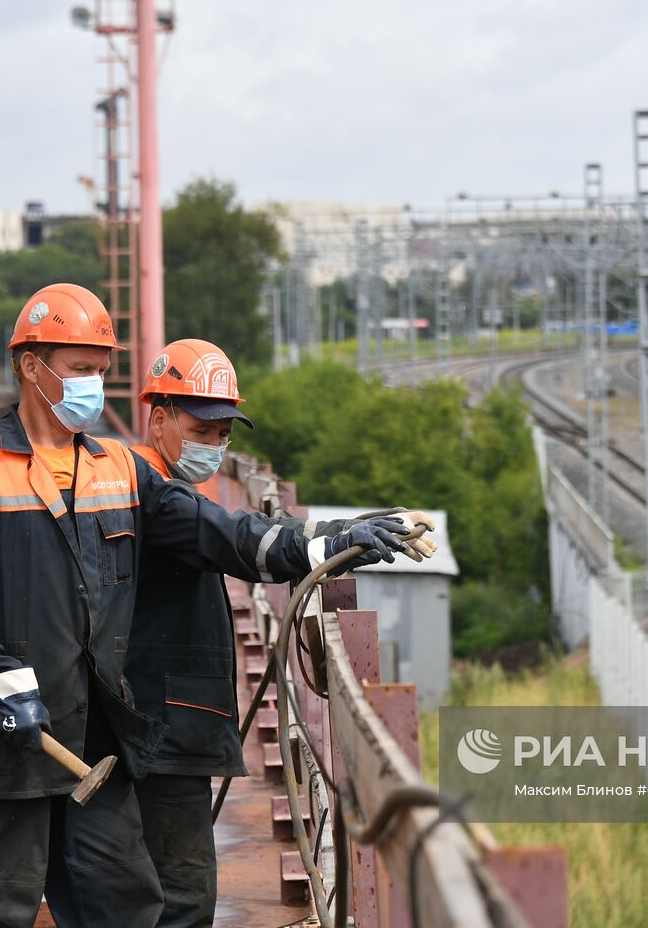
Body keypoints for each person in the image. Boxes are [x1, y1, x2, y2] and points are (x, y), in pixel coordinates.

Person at [0, 286, 416, 928]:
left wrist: (326, 543)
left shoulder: (117, 468)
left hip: (96, 739)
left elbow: (218, 531)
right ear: (31, 366)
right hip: (0, 736)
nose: (92, 383)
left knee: (128, 902)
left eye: (99, 369)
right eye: (78, 367)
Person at [127, 338, 435, 925]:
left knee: (167, 892)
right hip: (161, 733)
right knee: (182, 901)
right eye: (202, 429)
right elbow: (240, 541)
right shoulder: (151, 493)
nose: (215, 445)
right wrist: (334, 544)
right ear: (159, 418)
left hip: (166, 727)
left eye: (223, 434)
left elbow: (247, 527)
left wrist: (348, 527)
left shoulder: (162, 486)